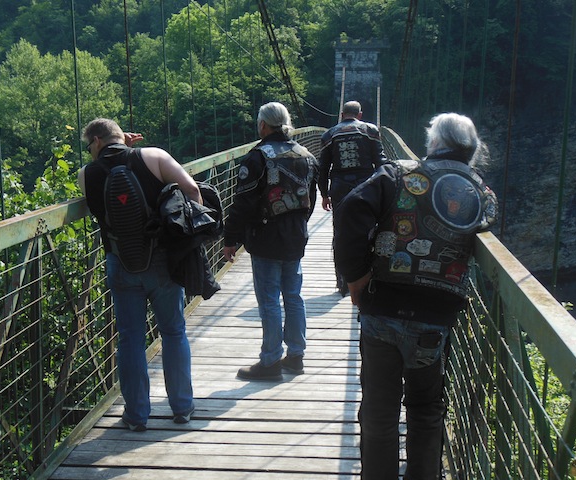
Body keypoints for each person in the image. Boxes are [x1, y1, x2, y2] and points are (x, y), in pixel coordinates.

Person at [334, 113, 498, 479]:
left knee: (379, 412)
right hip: (435, 319)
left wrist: (355, 277)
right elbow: (483, 220)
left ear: (434, 143)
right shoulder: (481, 194)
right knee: (426, 409)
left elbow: (350, 211)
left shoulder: (397, 175)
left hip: (382, 307)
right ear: (472, 150)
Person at [78, 118, 202, 431]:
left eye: (89, 146)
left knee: (130, 338)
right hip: (163, 262)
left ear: (96, 141)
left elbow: (102, 192)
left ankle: (136, 416)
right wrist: (189, 236)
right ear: (120, 136)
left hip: (121, 263)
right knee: (173, 332)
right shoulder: (154, 156)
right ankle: (182, 408)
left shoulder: (86, 174)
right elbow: (192, 189)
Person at [223, 102, 319, 381]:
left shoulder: (258, 157)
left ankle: (270, 362)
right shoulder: (306, 155)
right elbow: (310, 200)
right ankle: (296, 356)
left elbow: (243, 203)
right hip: (296, 236)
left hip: (265, 237)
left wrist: (231, 238)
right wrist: (297, 225)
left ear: (263, 125)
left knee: (269, 300)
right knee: (293, 296)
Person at [318, 100, 387, 295]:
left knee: (340, 233)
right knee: (369, 231)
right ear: (360, 115)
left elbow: (323, 169)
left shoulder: (329, 135)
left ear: (342, 115)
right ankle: (367, 279)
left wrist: (324, 194)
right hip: (366, 187)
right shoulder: (370, 131)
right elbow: (380, 163)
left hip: (339, 188)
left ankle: (342, 282)